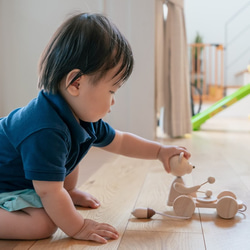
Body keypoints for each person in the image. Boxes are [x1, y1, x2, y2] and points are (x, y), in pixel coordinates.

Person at [0, 13, 190, 244]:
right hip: (6, 184)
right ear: (76, 83)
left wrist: (159, 151)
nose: (113, 101)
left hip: (21, 181)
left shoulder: (79, 117)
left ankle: (67, 193)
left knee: (76, 148)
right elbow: (48, 191)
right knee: (44, 224)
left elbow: (120, 141)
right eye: (111, 91)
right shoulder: (45, 130)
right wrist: (79, 227)